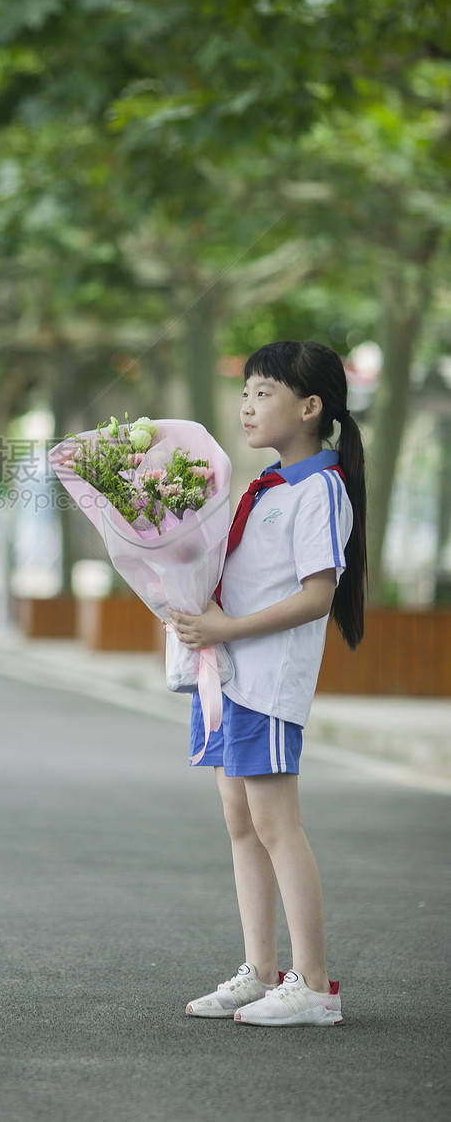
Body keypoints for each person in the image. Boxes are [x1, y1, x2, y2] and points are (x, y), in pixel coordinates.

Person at [168, 340, 366, 1027]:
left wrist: (226, 628)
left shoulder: (319, 489)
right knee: (240, 822)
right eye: (246, 391)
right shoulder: (267, 485)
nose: (248, 405)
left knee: (278, 824)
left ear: (310, 407)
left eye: (263, 392)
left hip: (268, 682)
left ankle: (313, 984)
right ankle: (259, 970)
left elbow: (318, 596)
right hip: (227, 677)